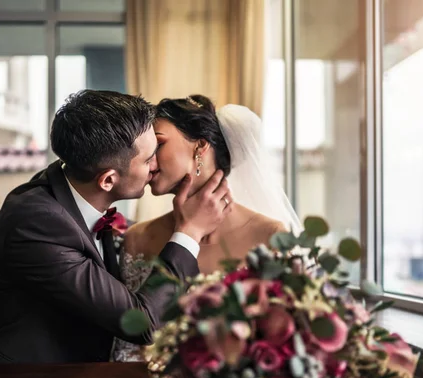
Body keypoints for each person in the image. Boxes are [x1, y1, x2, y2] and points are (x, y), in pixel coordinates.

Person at [0, 90, 232, 364]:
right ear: (107, 180)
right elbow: (141, 322)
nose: (155, 165)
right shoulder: (36, 222)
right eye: (147, 159)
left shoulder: (72, 185)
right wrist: (190, 231)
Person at [112, 94, 301, 362]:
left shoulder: (271, 236)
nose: (148, 162)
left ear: (200, 146)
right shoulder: (138, 238)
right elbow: (129, 348)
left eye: (159, 144)